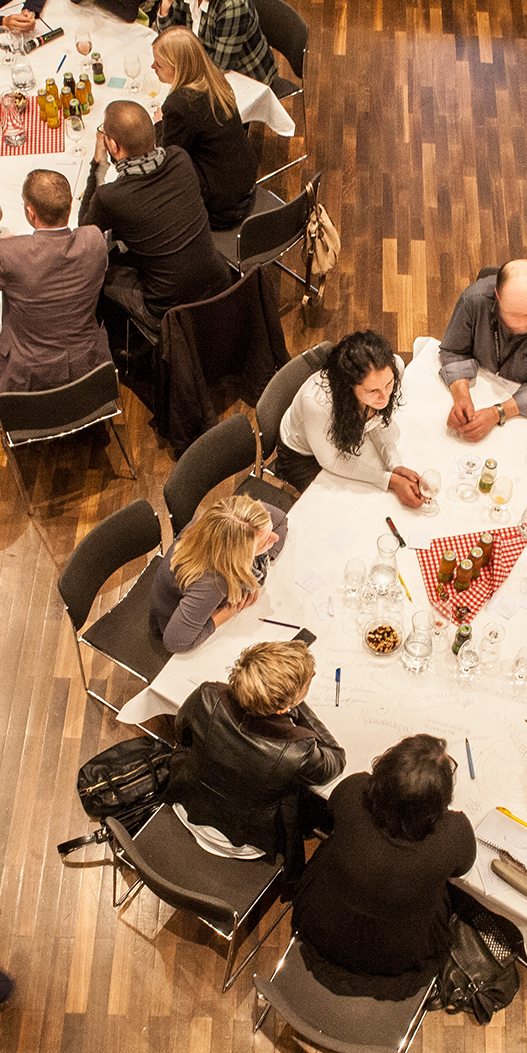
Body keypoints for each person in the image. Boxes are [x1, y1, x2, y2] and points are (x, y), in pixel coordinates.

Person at [291, 735, 475, 999]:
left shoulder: (353, 790)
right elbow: (461, 868)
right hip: (394, 954)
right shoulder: (454, 834)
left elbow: (331, 811)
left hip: (323, 922)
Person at [166, 640, 343, 864]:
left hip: (189, 802)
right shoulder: (297, 750)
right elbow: (336, 759)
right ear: (281, 707)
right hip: (243, 840)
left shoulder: (207, 695)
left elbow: (182, 735)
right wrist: (295, 704)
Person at [0, 169, 109, 394]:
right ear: (69, 205)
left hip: (28, 379)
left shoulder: (11, 255)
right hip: (90, 367)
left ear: (30, 212)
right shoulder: (94, 239)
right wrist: (17, 249)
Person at [79, 99, 233, 322]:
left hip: (169, 312)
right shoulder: (180, 158)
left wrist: (98, 164)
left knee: (100, 272)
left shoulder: (111, 197)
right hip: (219, 283)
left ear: (113, 145)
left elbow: (84, 232)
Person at [276, 329, 424, 506]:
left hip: (344, 433)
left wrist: (395, 466)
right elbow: (332, 461)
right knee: (346, 505)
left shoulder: (393, 368)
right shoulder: (317, 403)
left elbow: (377, 422)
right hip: (300, 456)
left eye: (389, 384)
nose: (385, 396)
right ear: (348, 387)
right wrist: (390, 480)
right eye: (373, 391)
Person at [437, 260, 527, 441]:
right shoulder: (473, 300)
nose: (525, 324)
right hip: (477, 384)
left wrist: (498, 413)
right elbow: (453, 351)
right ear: (497, 297)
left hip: (519, 407)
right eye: (514, 315)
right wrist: (461, 395)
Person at [149, 495, 288, 653]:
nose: (275, 538)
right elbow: (175, 642)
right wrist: (227, 611)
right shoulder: (213, 584)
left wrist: (261, 560)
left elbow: (281, 520)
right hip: (176, 621)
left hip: (194, 604)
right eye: (264, 542)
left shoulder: (232, 520)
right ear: (237, 557)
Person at [152, 27, 256, 230]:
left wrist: (159, 125)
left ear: (178, 68)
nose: (153, 67)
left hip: (222, 206)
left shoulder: (179, 104)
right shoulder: (215, 78)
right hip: (245, 178)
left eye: (159, 65)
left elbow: (167, 155)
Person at [151, 0, 276, 86]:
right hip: (202, 67)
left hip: (245, 78)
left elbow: (220, 66)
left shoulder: (231, 5)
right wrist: (165, 9)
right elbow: (168, 41)